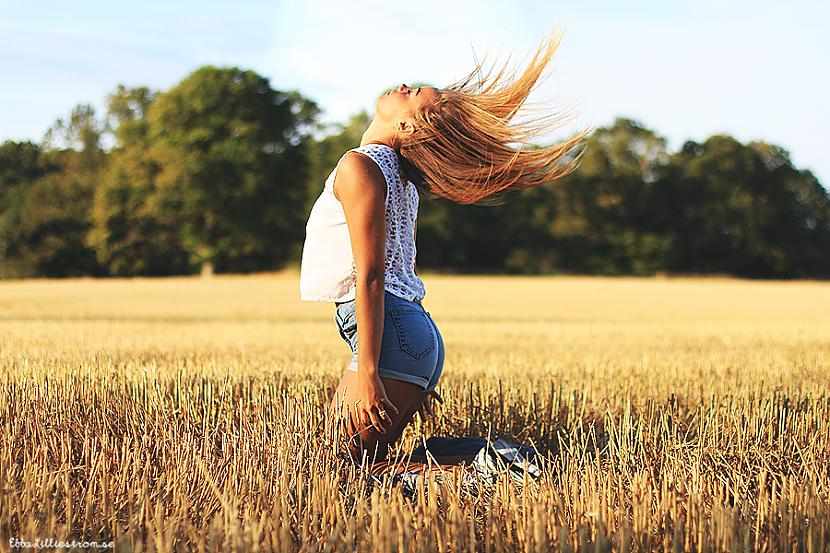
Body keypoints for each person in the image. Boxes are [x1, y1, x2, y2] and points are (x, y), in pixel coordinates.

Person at [299, 30, 590, 465]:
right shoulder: (400, 178)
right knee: (355, 465)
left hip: (392, 334)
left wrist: (371, 373)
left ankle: (500, 466)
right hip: (411, 333)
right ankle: (488, 460)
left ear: (409, 126)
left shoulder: (358, 167)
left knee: (335, 469)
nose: (402, 86)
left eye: (412, 94)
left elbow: (373, 277)